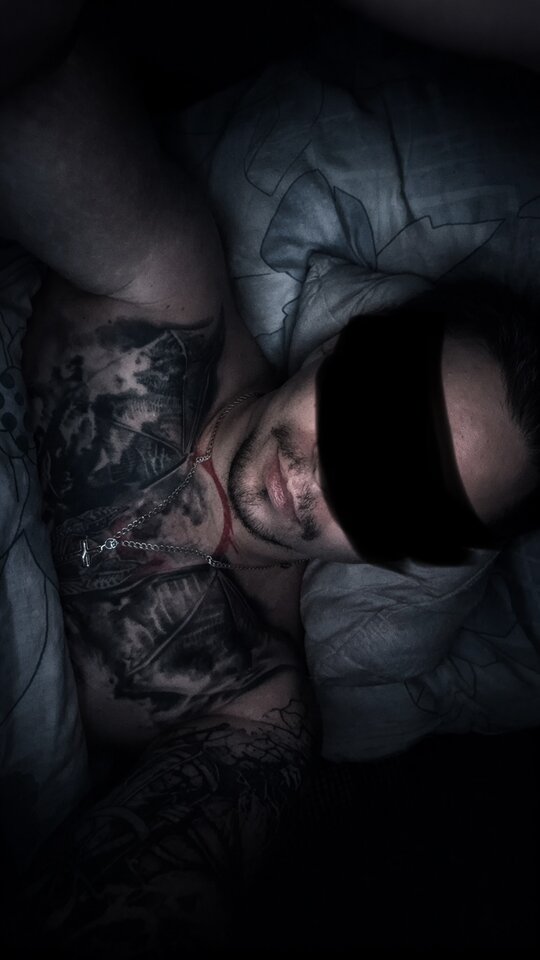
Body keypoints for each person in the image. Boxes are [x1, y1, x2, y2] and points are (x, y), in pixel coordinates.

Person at [1, 5, 539, 957]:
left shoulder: (253, 699)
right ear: (343, 346)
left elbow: (153, 880)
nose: (340, 476)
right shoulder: (157, 284)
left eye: (407, 501)